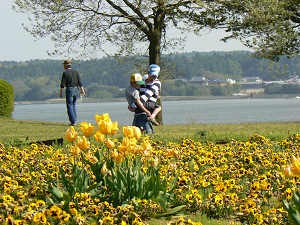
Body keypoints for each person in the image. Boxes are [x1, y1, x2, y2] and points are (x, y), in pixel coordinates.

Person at [130, 64, 162, 134]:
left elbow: (147, 96)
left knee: (157, 107)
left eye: (155, 76)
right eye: (152, 76)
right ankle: (151, 118)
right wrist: (132, 104)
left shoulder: (157, 83)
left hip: (150, 103)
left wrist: (134, 105)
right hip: (140, 103)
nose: (153, 78)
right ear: (148, 73)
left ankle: (151, 117)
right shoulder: (142, 79)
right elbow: (134, 89)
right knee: (158, 107)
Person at [59, 59, 85, 126]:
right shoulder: (76, 72)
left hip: (69, 90)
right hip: (76, 89)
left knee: (69, 106)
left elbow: (62, 84)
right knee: (74, 105)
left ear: (65, 66)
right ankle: (75, 120)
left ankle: (73, 122)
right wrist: (82, 89)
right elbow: (80, 82)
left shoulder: (65, 73)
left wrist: (60, 92)